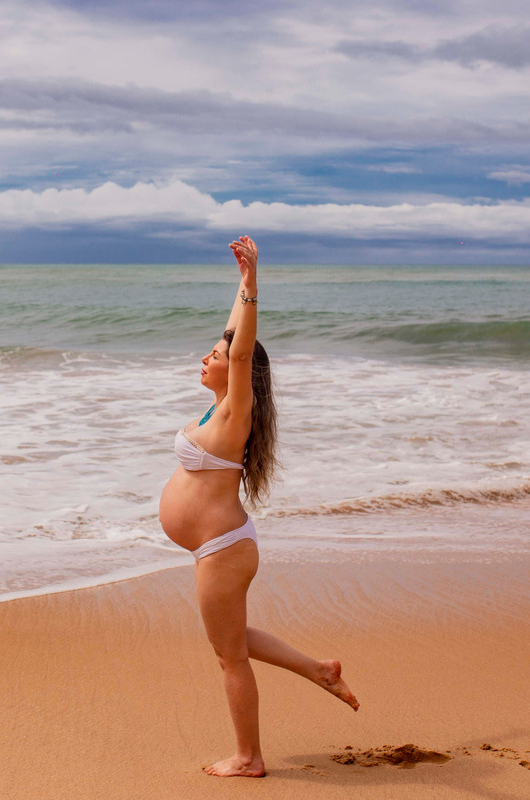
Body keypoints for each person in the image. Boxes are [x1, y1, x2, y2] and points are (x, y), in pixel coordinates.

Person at [159, 234, 360, 779]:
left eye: (215, 356)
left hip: (222, 549)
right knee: (230, 638)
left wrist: (252, 285)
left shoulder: (234, 414)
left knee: (229, 656)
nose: (207, 357)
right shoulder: (217, 408)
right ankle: (319, 669)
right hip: (217, 547)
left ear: (237, 372)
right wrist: (238, 284)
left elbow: (243, 350)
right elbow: (234, 340)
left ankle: (249, 757)